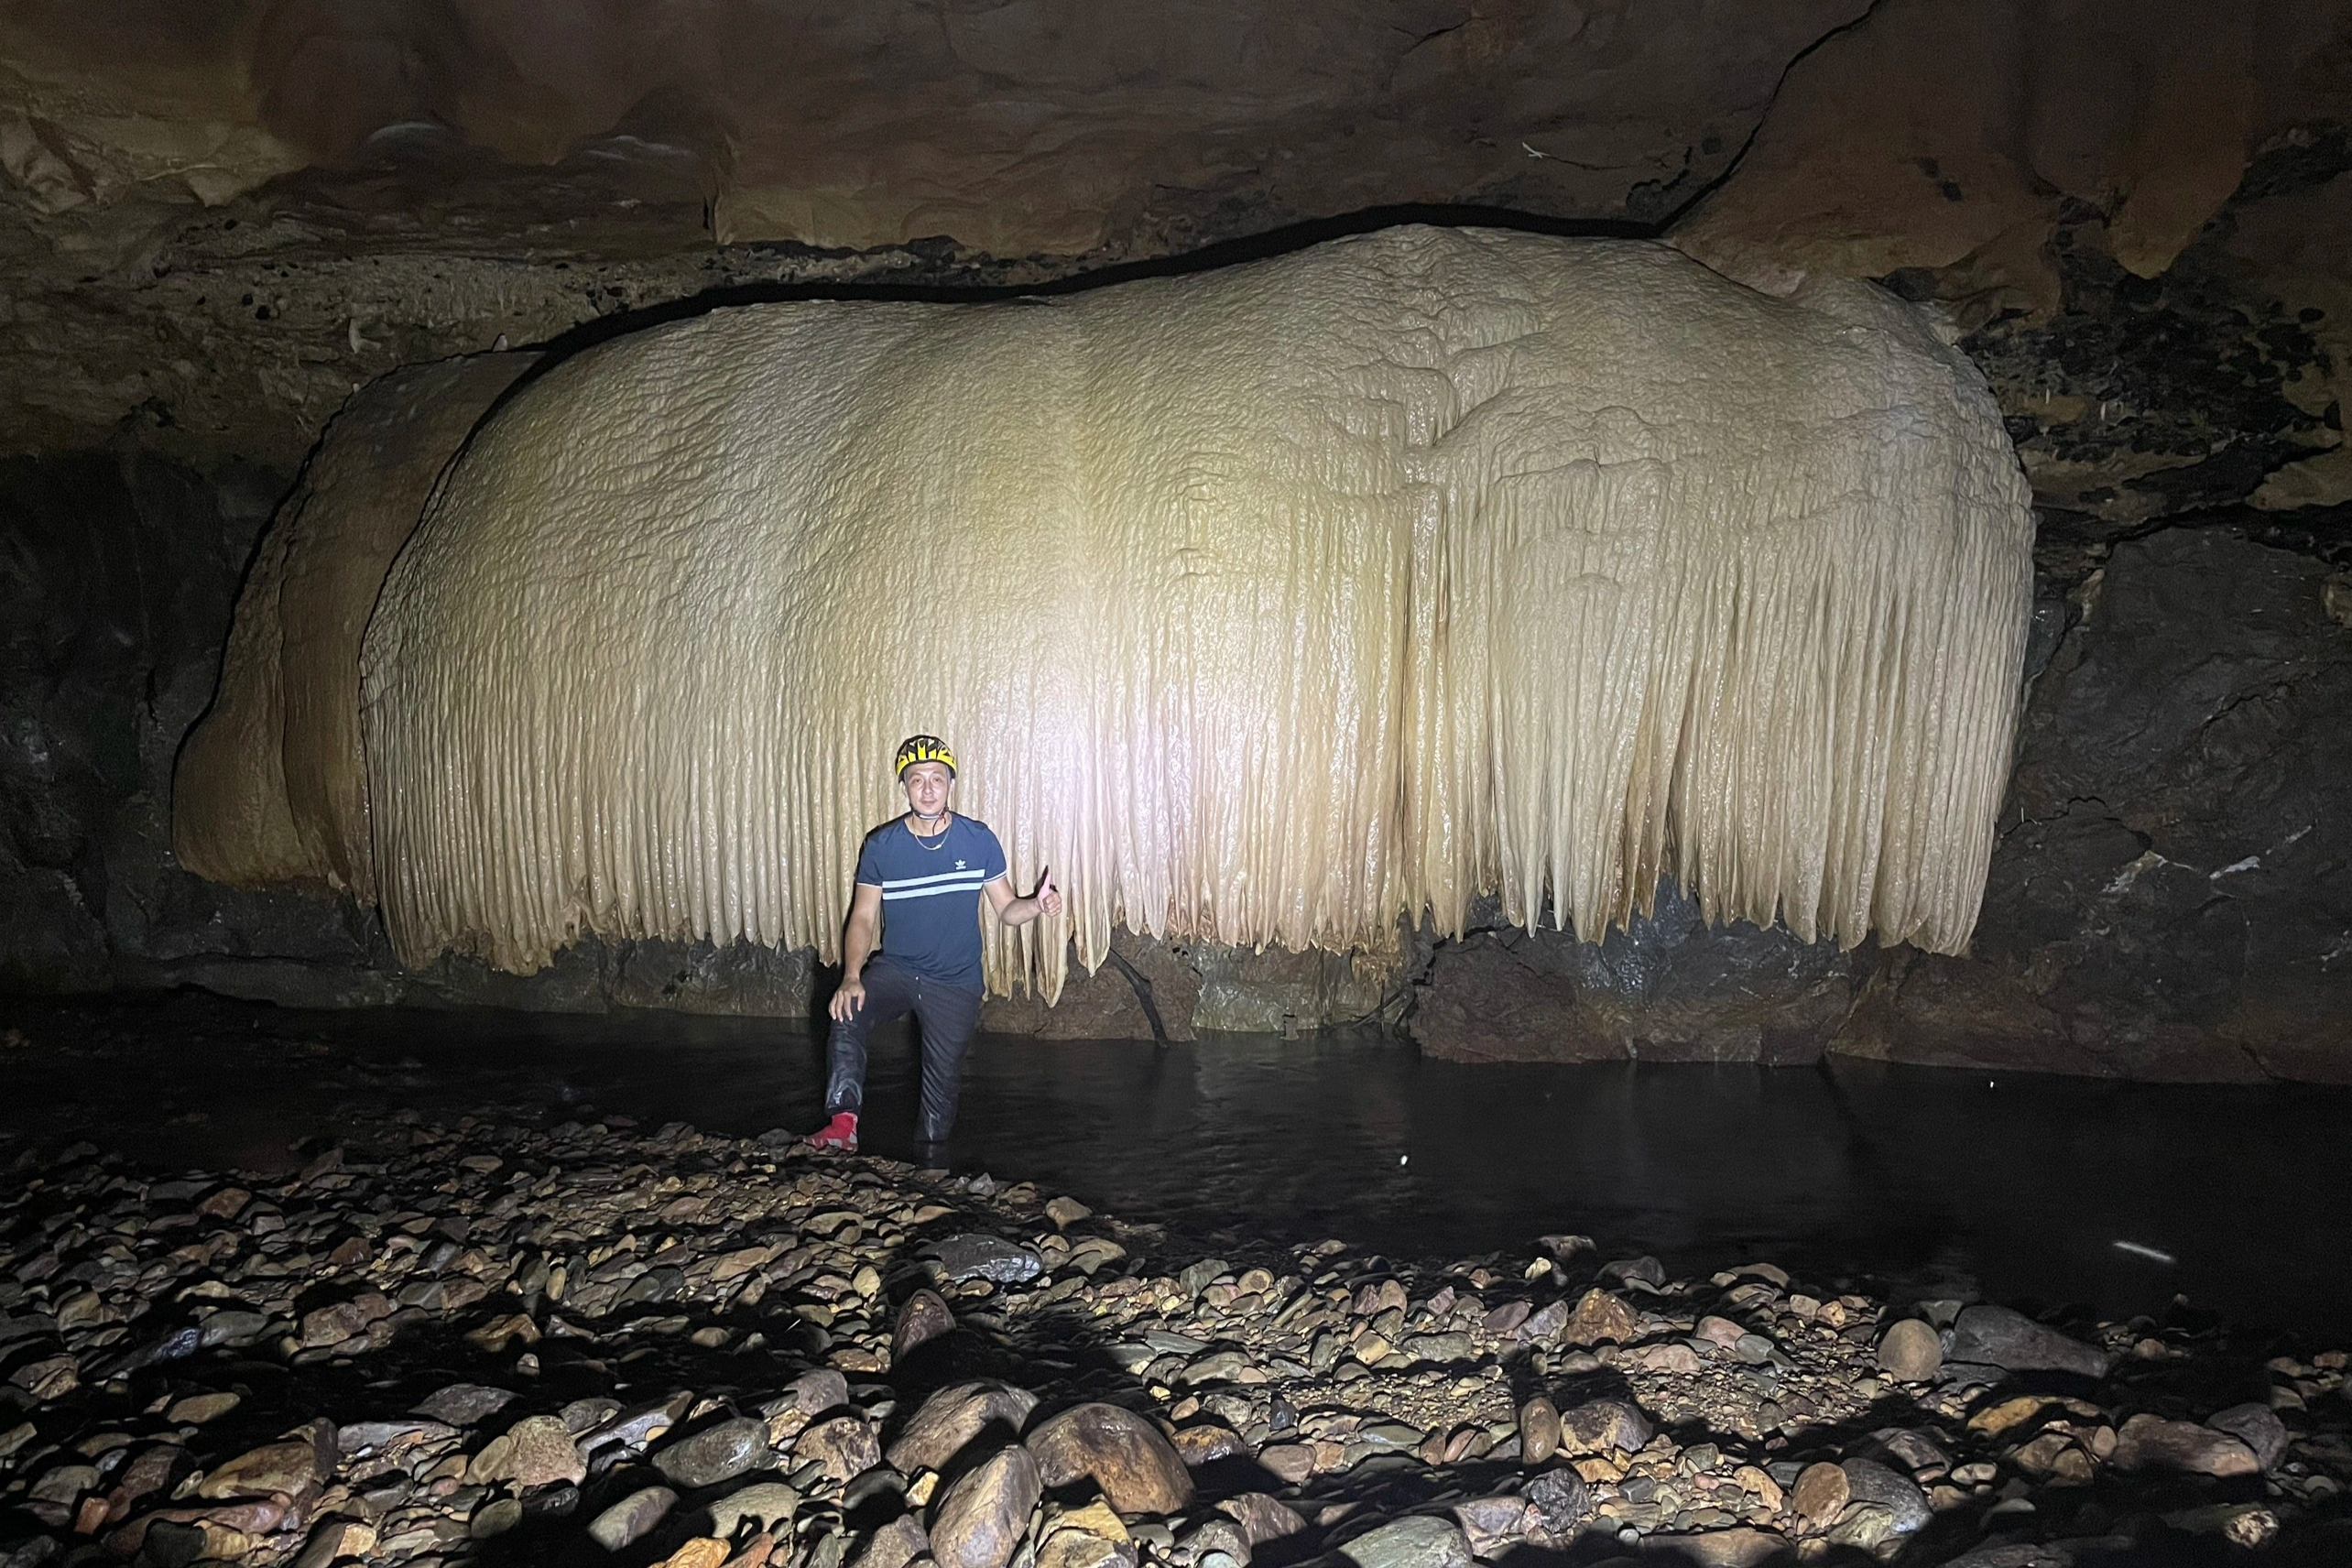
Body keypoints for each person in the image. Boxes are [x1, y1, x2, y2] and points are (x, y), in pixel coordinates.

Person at [806, 735, 1061, 1153]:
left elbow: (1007, 909)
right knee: (846, 1011)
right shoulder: (881, 846)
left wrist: (1037, 905)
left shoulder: (978, 840)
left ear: (950, 785)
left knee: (940, 1096)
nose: (927, 788)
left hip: (955, 982)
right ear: (904, 787)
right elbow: (864, 917)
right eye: (917, 779)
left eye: (936, 779)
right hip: (898, 970)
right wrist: (852, 976)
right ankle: (843, 1123)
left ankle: (929, 1170)